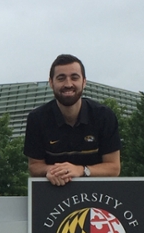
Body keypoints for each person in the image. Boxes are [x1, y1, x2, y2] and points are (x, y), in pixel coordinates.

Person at [24, 54, 121, 185]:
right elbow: (34, 166)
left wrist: (81, 170)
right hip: (54, 191)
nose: (68, 84)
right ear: (51, 83)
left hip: (98, 194)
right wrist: (54, 171)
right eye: (61, 78)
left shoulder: (104, 116)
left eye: (74, 77)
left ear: (84, 82)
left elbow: (114, 168)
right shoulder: (37, 119)